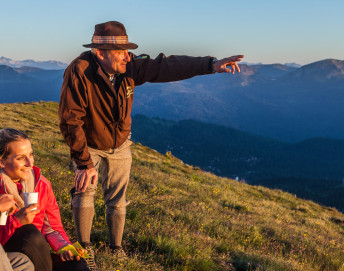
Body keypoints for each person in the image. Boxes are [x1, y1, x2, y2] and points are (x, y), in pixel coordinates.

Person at [59, 20, 244, 257]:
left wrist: (210, 64)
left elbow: (166, 66)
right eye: (121, 52)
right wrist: (83, 163)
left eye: (128, 51)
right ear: (100, 53)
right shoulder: (80, 70)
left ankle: (116, 250)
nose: (127, 57)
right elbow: (70, 119)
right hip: (89, 143)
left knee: (117, 198)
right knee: (84, 192)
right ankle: (85, 252)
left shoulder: (130, 67)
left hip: (120, 143)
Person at [0, 128, 153, 271]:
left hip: (39, 261)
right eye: (20, 157)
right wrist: (17, 221)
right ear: (2, 161)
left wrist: (65, 247)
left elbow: (53, 228)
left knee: (72, 260)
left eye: (31, 154)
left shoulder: (41, 184)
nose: (29, 162)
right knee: (29, 234)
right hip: (10, 267)